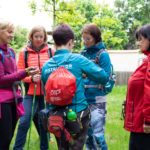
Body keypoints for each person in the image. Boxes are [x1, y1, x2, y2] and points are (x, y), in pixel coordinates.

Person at [41, 23, 109, 150]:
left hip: (56, 116)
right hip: (78, 113)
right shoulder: (78, 59)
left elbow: (46, 91)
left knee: (63, 146)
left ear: (54, 42)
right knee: (76, 147)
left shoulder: (46, 66)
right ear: (71, 42)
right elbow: (103, 77)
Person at [14, 25, 54, 150]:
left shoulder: (50, 51)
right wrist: (31, 79)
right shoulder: (24, 52)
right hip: (30, 93)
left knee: (44, 122)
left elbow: (55, 70)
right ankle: (18, 148)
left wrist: (45, 76)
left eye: (41, 37)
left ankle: (44, 147)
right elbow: (19, 74)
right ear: (31, 37)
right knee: (24, 121)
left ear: (44, 37)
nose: (38, 39)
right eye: (36, 36)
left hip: (47, 94)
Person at [0, 19, 39, 150]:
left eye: (13, 32)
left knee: (9, 136)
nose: (12, 35)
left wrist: (29, 74)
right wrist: (24, 72)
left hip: (14, 99)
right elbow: (2, 79)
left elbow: (15, 74)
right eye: (9, 32)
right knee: (4, 138)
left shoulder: (10, 51)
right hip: (2, 101)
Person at [81, 23, 112, 150]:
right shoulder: (82, 53)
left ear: (96, 37)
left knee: (97, 134)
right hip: (83, 98)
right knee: (87, 134)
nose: (85, 42)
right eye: (83, 38)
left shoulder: (102, 54)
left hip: (97, 99)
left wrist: (87, 72)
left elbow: (105, 77)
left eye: (88, 39)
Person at [124, 24, 150, 150]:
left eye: (141, 39)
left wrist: (148, 120)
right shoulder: (147, 60)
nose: (138, 43)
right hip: (139, 122)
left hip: (144, 126)